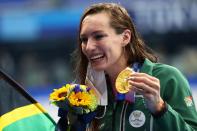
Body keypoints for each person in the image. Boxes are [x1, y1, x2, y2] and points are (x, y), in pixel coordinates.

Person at [56, 2, 197, 131]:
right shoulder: (85, 94)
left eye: (98, 36)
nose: (88, 47)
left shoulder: (166, 78)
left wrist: (160, 109)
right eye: (84, 39)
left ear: (125, 37)